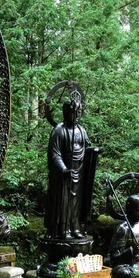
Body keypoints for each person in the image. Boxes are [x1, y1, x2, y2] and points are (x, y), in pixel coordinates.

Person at [44, 100, 90, 239]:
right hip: (63, 175)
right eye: (74, 112)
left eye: (79, 112)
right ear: (66, 113)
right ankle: (62, 229)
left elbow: (87, 148)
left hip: (79, 171)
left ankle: (75, 227)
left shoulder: (81, 130)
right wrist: (64, 169)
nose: (77, 115)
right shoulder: (59, 130)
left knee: (76, 202)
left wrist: (94, 152)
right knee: (63, 202)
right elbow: (55, 154)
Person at [109, 194, 139, 278]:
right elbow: (114, 258)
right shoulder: (123, 228)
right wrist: (131, 250)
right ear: (129, 209)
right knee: (122, 272)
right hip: (128, 265)